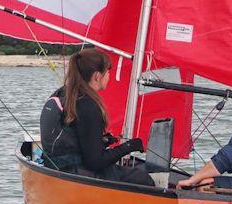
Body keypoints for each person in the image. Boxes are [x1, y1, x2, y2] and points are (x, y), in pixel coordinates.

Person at [40, 49, 154, 187]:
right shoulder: (88, 105)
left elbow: (71, 139)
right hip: (76, 176)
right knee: (143, 178)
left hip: (54, 170)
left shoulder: (62, 93)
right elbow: (95, 162)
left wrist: (103, 141)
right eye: (108, 72)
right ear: (97, 76)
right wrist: (132, 146)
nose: (109, 77)